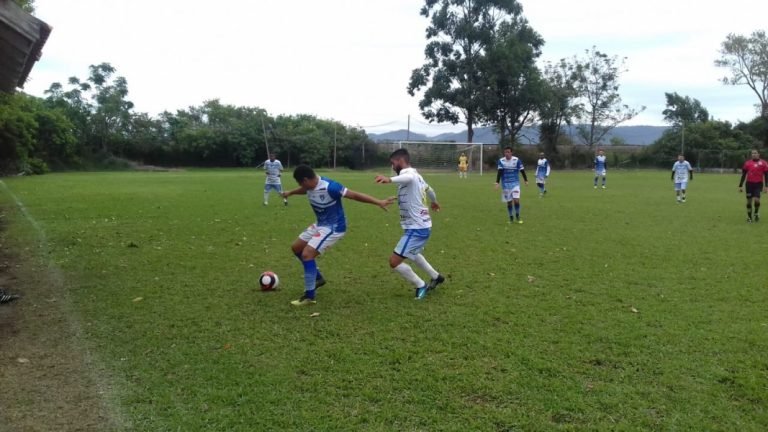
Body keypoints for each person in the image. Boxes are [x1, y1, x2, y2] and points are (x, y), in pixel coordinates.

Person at [282, 165, 394, 306]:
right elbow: (304, 189)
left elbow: (354, 195)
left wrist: (379, 202)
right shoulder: (308, 186)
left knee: (307, 255)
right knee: (296, 248)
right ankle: (318, 278)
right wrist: (290, 193)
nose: (300, 186)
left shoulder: (331, 187)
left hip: (334, 226)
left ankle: (309, 296)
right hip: (320, 223)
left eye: (300, 183)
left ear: (305, 179)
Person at [375, 149, 445, 300]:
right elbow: (430, 190)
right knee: (412, 254)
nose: (392, 167)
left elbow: (407, 178)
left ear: (400, 161)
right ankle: (436, 276)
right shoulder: (418, 176)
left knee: (394, 262)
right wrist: (434, 202)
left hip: (417, 228)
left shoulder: (410, 175)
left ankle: (420, 285)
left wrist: (389, 179)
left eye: (393, 163)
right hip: (420, 226)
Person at [495, 147, 528, 224]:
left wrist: (526, 180)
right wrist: (497, 182)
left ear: (511, 153)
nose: (507, 153)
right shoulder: (501, 161)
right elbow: (499, 172)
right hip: (505, 185)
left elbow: (522, 170)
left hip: (515, 184)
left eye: (508, 152)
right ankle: (511, 217)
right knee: (509, 202)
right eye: (505, 152)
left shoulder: (516, 160)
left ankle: (517, 215)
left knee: (516, 200)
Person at [738, 149, 768, 222]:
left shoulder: (763, 163)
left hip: (758, 184)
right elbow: (744, 174)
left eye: (755, 153)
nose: (753, 154)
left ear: (758, 154)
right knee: (749, 201)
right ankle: (749, 217)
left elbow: (766, 175)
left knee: (757, 200)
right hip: (749, 184)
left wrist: (766, 186)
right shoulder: (747, 163)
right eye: (752, 153)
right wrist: (740, 185)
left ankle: (756, 212)